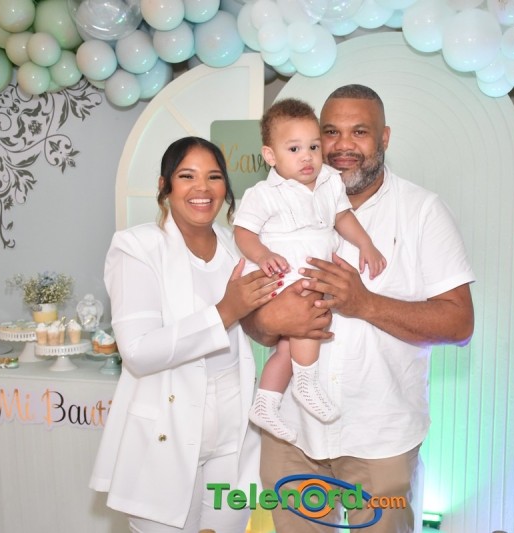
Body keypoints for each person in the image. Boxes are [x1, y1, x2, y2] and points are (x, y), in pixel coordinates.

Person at [242, 85, 476, 532]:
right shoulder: (274, 204)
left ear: (384, 137)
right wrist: (269, 319)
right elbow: (251, 314)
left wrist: (364, 303)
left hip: (379, 440)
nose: (342, 145)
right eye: (330, 132)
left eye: (360, 132)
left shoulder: (423, 211)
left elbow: (460, 322)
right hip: (291, 435)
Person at [88, 137, 311, 533]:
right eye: (187, 176)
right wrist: (225, 311)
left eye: (214, 177)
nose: (202, 188)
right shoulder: (137, 247)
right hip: (165, 431)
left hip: (234, 429)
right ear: (164, 186)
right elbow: (138, 351)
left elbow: (260, 331)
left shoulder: (237, 249)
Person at [233, 98, 386, 443]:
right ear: (270, 155)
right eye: (294, 149)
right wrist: (263, 254)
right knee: (308, 320)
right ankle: (306, 382)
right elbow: (243, 232)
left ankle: (265, 402)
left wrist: (366, 244)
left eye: (314, 147)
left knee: (287, 347)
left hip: (309, 271)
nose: (307, 157)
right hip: (284, 273)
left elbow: (343, 217)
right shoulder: (264, 193)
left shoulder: (330, 181)